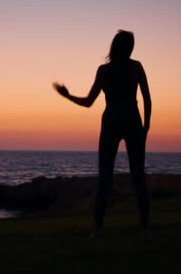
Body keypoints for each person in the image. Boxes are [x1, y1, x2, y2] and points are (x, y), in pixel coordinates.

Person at [53, 30, 152, 238]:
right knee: (135, 177)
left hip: (115, 120)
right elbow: (147, 99)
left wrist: (67, 96)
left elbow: (89, 102)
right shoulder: (133, 67)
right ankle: (141, 228)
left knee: (107, 178)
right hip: (130, 120)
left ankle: (99, 230)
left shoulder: (109, 69)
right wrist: (146, 127)